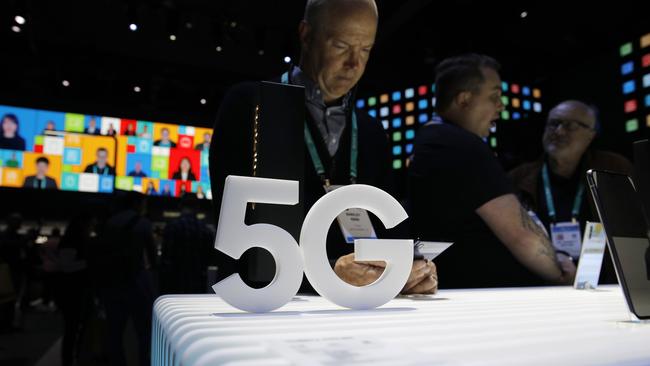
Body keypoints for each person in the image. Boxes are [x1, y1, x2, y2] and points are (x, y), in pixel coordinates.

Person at [210, 0, 436, 295]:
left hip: (359, 305)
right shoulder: (252, 105)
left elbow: (391, 229)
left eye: (365, 49)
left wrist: (408, 270)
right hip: (269, 304)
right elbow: (238, 234)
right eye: (342, 46)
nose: (354, 64)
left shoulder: (370, 131)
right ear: (306, 35)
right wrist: (329, 271)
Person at [408, 54, 576, 289]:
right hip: (486, 295)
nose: (501, 106)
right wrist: (561, 273)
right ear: (465, 99)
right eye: (494, 97)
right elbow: (521, 236)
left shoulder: (430, 140)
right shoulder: (460, 145)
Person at [509, 100, 632, 283]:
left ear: (591, 135)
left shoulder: (615, 169)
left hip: (606, 285)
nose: (558, 131)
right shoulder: (518, 178)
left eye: (570, 125)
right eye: (553, 123)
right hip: (540, 284)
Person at [92, 192, 155, 366]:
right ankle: (143, 362)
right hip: (137, 282)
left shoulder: (111, 222)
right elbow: (151, 256)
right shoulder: (142, 223)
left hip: (113, 283)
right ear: (136, 204)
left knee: (115, 331)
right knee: (143, 331)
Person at [160, 196, 216, 294]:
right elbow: (210, 258)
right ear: (197, 208)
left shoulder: (172, 227)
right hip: (198, 282)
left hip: (175, 282)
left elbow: (166, 257)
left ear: (180, 206)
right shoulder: (205, 230)